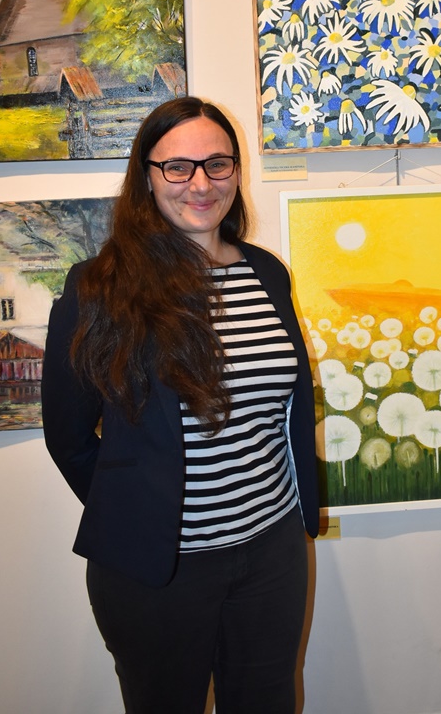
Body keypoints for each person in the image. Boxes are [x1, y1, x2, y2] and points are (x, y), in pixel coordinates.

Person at [41, 96, 319, 714]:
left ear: (237, 172)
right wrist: (142, 511)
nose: (200, 183)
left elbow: (282, 408)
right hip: (159, 569)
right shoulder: (99, 288)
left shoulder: (267, 272)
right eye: (178, 167)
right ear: (146, 176)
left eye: (218, 164)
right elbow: (68, 437)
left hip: (271, 552)